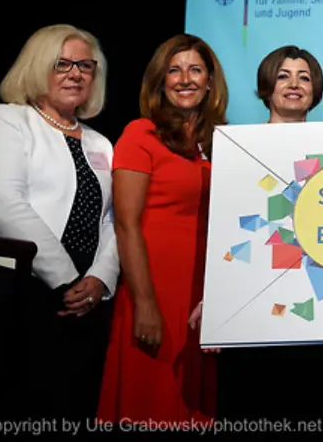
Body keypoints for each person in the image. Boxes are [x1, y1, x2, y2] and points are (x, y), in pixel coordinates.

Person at [0, 24, 119, 422]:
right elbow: (4, 206)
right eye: (62, 63)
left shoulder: (102, 144)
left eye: (85, 65)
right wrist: (65, 279)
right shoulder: (7, 121)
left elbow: (116, 220)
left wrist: (100, 279)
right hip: (15, 292)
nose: (76, 73)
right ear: (36, 67)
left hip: (84, 301)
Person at [97, 33, 227, 424]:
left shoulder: (219, 142)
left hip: (200, 303)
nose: (185, 78)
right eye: (174, 69)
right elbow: (127, 224)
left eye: (195, 69)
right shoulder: (141, 133)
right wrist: (146, 304)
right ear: (160, 80)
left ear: (209, 82)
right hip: (154, 294)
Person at [256, 45, 323, 123]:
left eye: (304, 78)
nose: (294, 84)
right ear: (266, 84)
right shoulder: (246, 135)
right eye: (283, 76)